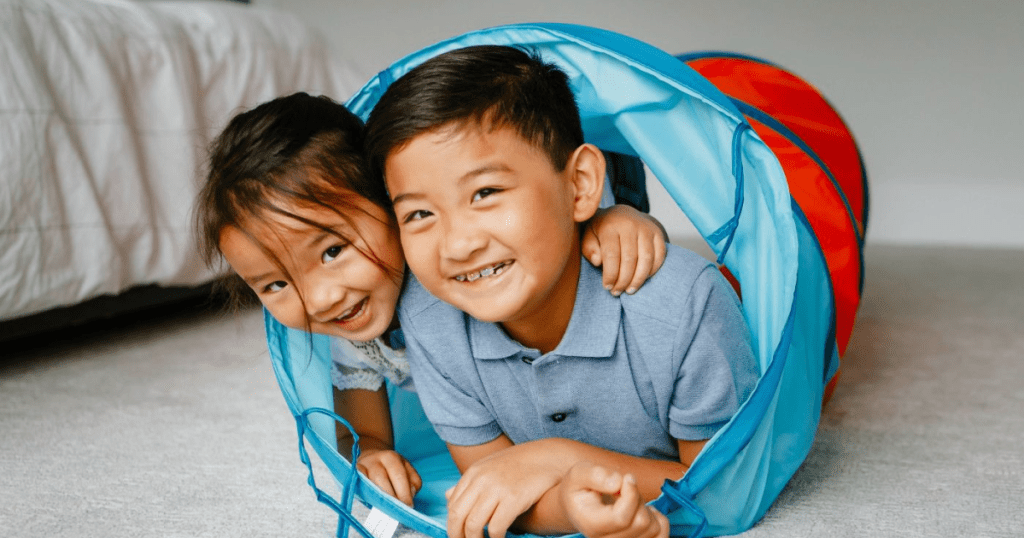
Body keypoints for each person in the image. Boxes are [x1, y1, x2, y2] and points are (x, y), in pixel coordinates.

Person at [192, 92, 670, 509]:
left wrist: (615, 217)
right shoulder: (357, 330)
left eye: (333, 251)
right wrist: (373, 453)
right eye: (275, 284)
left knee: (614, 244)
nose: (319, 299)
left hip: (584, 215)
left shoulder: (459, 263)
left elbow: (545, 231)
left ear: (390, 201)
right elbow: (363, 434)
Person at [364, 45, 760, 538]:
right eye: (419, 214)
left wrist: (556, 458)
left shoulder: (686, 305)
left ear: (579, 184)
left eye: (485, 193)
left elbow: (726, 492)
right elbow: (494, 484)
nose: (459, 244)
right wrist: (573, 507)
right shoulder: (430, 319)